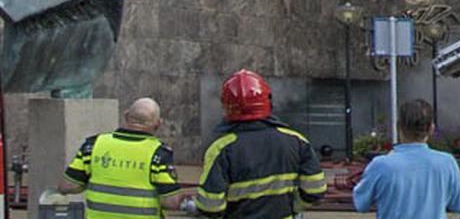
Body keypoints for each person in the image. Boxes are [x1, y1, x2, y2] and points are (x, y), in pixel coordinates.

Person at [196, 70, 327, 219]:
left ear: (226, 106)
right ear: (268, 101)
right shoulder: (297, 141)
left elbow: (210, 207)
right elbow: (315, 190)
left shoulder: (221, 150)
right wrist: (293, 207)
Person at [52, 98, 181, 219]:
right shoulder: (159, 154)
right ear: (158, 124)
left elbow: (67, 186)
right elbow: (171, 202)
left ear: (126, 116)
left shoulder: (94, 145)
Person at [352, 100, 460, 219]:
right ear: (431, 129)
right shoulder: (447, 163)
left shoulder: (381, 165)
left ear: (398, 127)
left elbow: (361, 204)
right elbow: (458, 205)